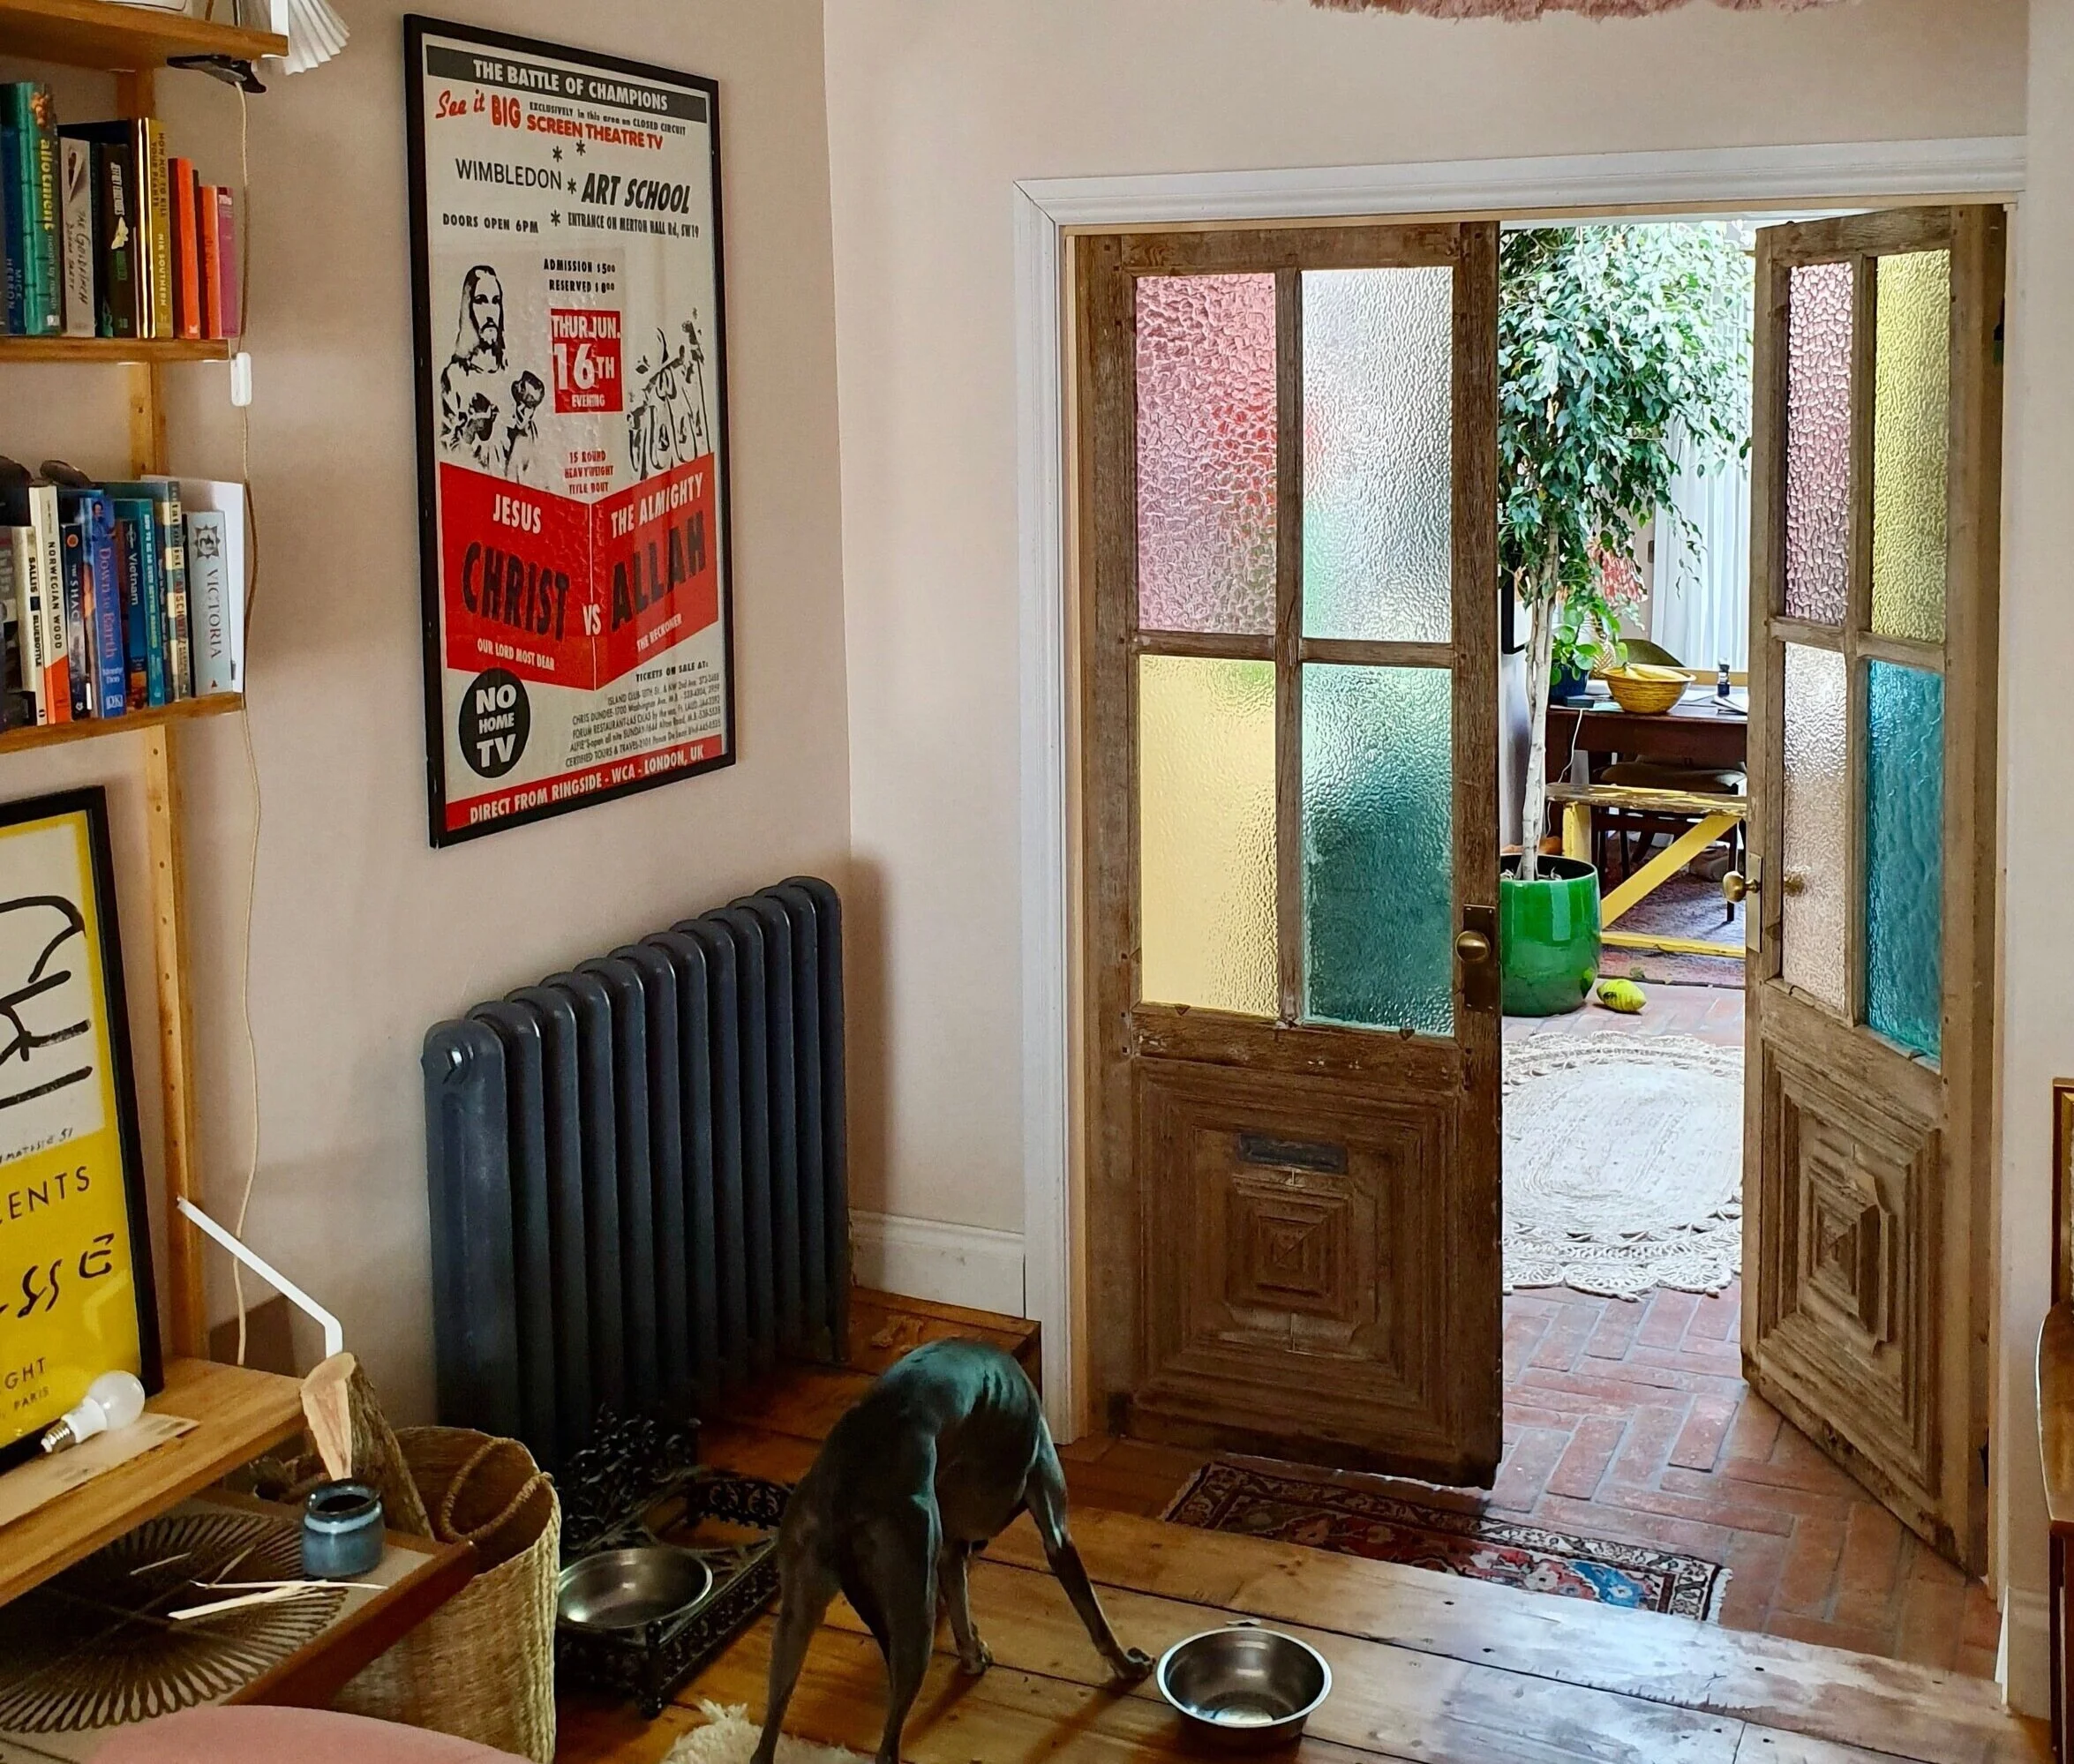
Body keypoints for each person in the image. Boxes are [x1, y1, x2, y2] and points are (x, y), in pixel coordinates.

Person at [440, 266, 510, 471]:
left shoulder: (510, 373)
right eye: (481, 301)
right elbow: (447, 456)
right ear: (468, 308)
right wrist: (470, 430)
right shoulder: (455, 377)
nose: (490, 311)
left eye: (495, 302)